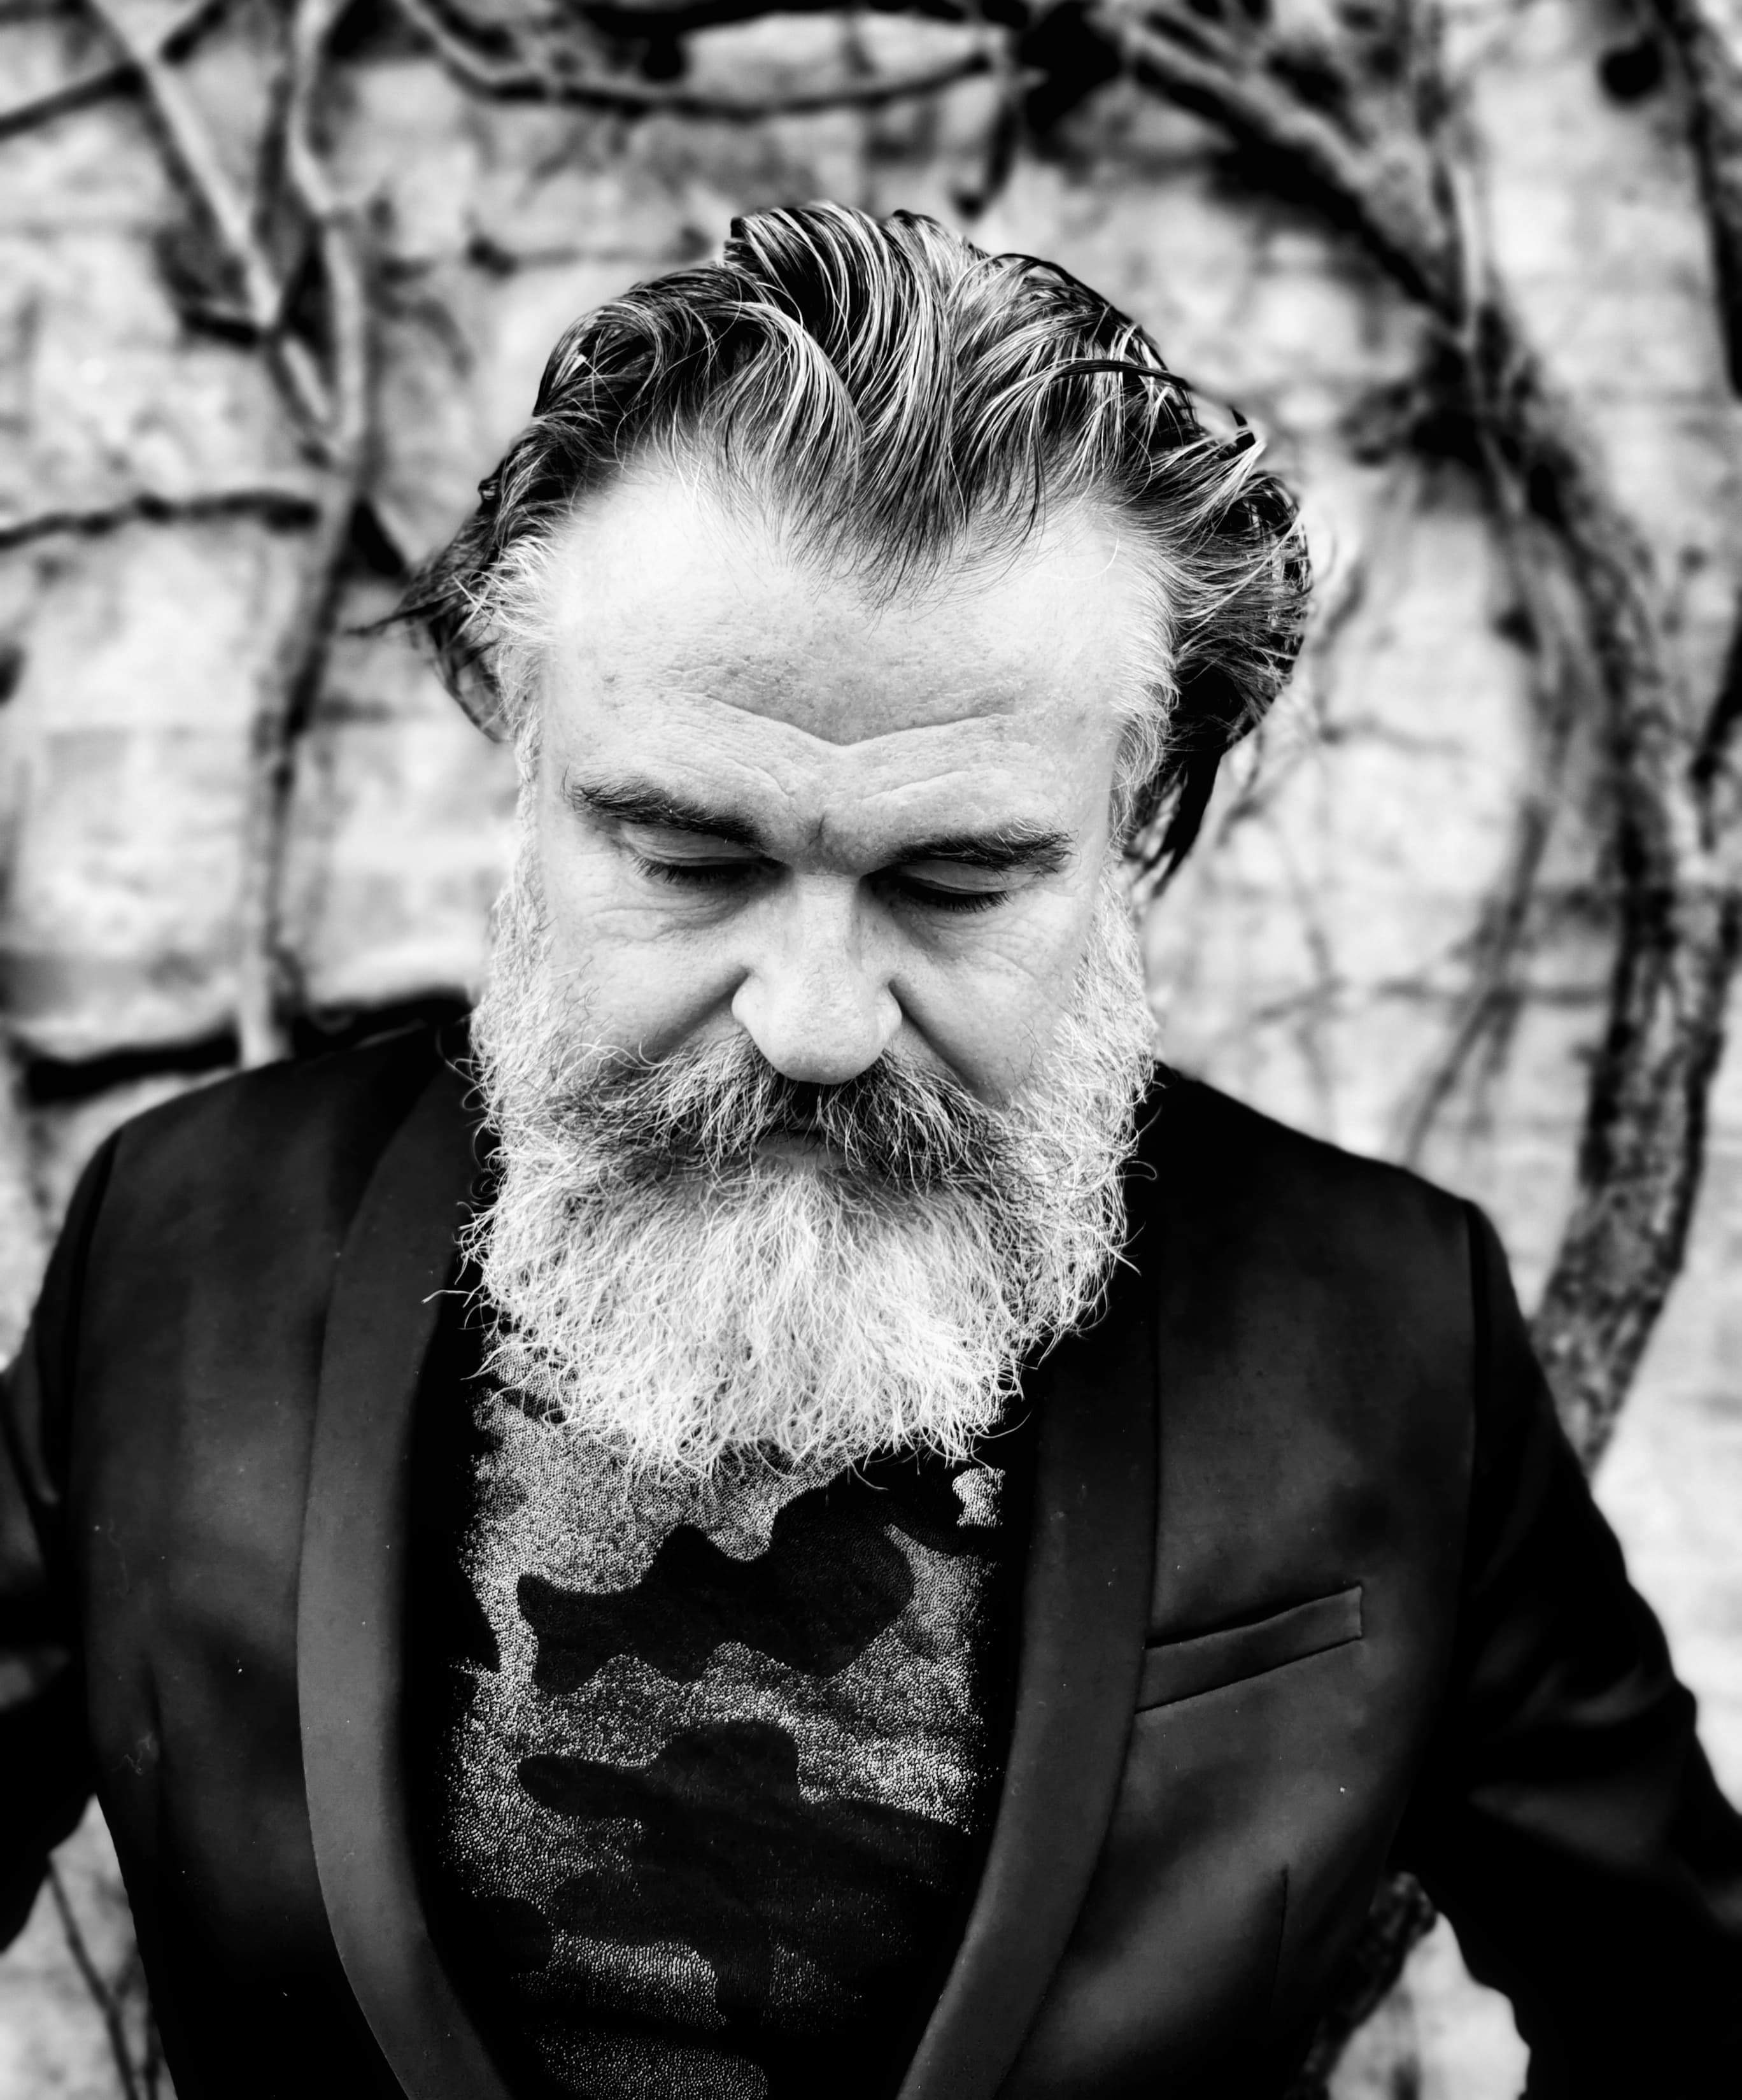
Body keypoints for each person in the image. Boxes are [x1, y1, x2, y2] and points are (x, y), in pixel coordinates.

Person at [1, 202, 1737, 2100]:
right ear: (521, 749)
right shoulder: (179, 1236)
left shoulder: (1390, 1324)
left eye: (958, 880)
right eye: (692, 857)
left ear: (1140, 814)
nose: (815, 1022)